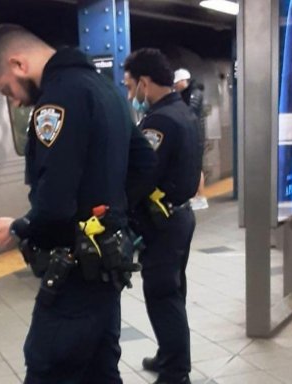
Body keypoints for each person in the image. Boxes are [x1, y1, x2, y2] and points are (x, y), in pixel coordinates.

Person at [0, 24, 155, 383]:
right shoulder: (106, 90)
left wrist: (19, 226)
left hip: (74, 274)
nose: (13, 100)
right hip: (106, 271)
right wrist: (109, 219)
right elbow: (145, 165)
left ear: (18, 64)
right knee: (100, 372)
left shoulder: (57, 100)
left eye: (5, 89)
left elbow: (55, 205)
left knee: (49, 369)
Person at [124, 49, 201, 384]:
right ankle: (169, 355)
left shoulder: (160, 121)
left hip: (164, 223)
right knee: (173, 291)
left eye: (130, 86)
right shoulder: (183, 111)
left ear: (144, 82)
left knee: (162, 295)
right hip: (179, 217)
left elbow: (143, 174)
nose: (130, 94)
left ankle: (175, 372)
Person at [173, 68, 208, 210]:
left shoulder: (195, 93)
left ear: (183, 81)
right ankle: (196, 197)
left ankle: (201, 197)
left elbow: (191, 111)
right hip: (194, 132)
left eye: (177, 83)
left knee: (197, 166)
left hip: (197, 134)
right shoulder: (187, 93)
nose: (175, 86)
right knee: (194, 166)